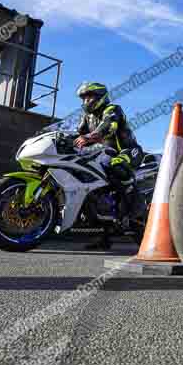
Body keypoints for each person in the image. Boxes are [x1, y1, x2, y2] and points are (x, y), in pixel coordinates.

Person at [74, 82, 146, 249]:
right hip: (105, 154)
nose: (86, 101)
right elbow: (77, 135)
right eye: (84, 98)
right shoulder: (87, 117)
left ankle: (136, 208)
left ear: (100, 97)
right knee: (98, 190)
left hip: (128, 151)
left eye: (89, 97)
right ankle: (105, 238)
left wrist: (89, 137)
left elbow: (109, 126)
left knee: (115, 164)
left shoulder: (112, 109)